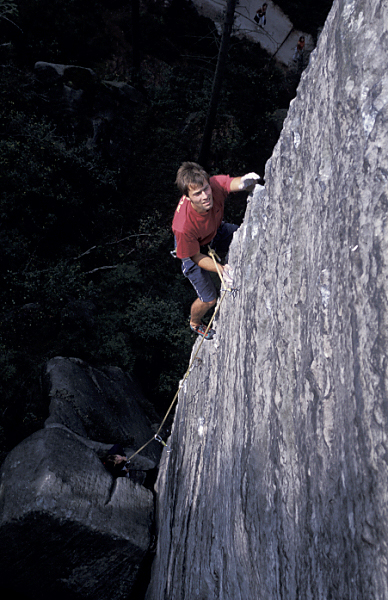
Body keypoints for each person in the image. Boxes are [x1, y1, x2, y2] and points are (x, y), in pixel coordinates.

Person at [172, 162, 261, 340]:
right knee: (209, 298)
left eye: (205, 189)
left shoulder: (212, 186)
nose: (205, 196)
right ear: (187, 197)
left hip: (213, 231)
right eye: (197, 194)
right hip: (192, 250)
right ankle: (195, 324)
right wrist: (221, 269)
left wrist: (244, 182)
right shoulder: (183, 226)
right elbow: (196, 256)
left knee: (245, 236)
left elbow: (230, 183)